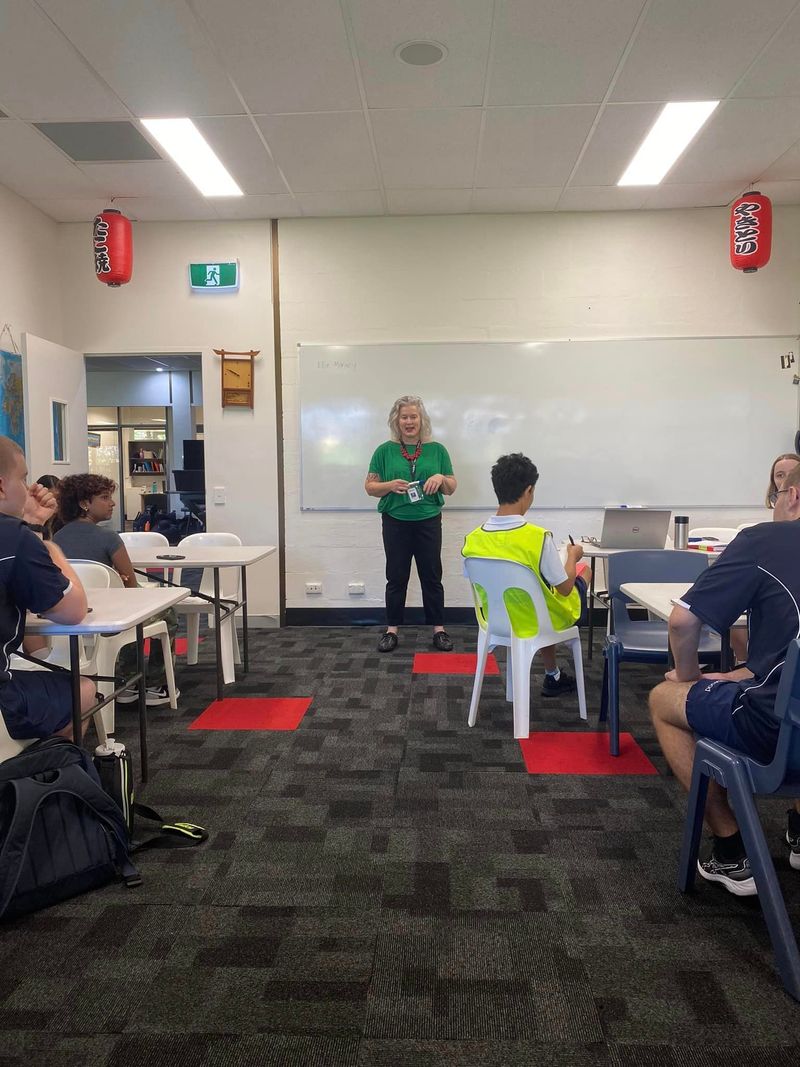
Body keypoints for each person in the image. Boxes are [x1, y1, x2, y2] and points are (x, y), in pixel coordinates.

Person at [649, 463, 800, 897]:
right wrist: (741, 673)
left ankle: (731, 848)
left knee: (663, 698)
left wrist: (688, 677)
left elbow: (682, 622)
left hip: (780, 737)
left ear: (792, 497)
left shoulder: (764, 540)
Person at [461, 453, 590, 696]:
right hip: (537, 621)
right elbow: (564, 589)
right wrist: (572, 557)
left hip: (496, 621)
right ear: (529, 490)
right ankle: (554, 673)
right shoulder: (538, 537)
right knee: (583, 573)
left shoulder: (473, 539)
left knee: (537, 591)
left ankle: (553, 674)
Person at [0, 436, 95, 742]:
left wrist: (31, 524)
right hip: (2, 701)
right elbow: (72, 612)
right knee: (83, 689)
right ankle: (44, 767)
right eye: (23, 478)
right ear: (1, 487)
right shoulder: (13, 538)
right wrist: (49, 546)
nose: (29, 488)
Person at [54, 473, 178, 707]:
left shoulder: (56, 538)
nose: (112, 503)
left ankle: (126, 682)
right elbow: (131, 586)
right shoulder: (109, 538)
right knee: (166, 612)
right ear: (84, 503)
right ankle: (154, 684)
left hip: (73, 616)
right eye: (104, 497)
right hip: (109, 616)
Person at [365, 395, 457, 652]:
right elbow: (370, 487)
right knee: (396, 577)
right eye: (404, 417)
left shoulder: (437, 450)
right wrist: (389, 485)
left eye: (413, 416)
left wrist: (440, 478)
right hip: (395, 522)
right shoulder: (384, 451)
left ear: (421, 420)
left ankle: (439, 630)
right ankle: (391, 630)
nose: (409, 422)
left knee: (432, 576)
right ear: (396, 421)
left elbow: (451, 487)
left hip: (428, 521)